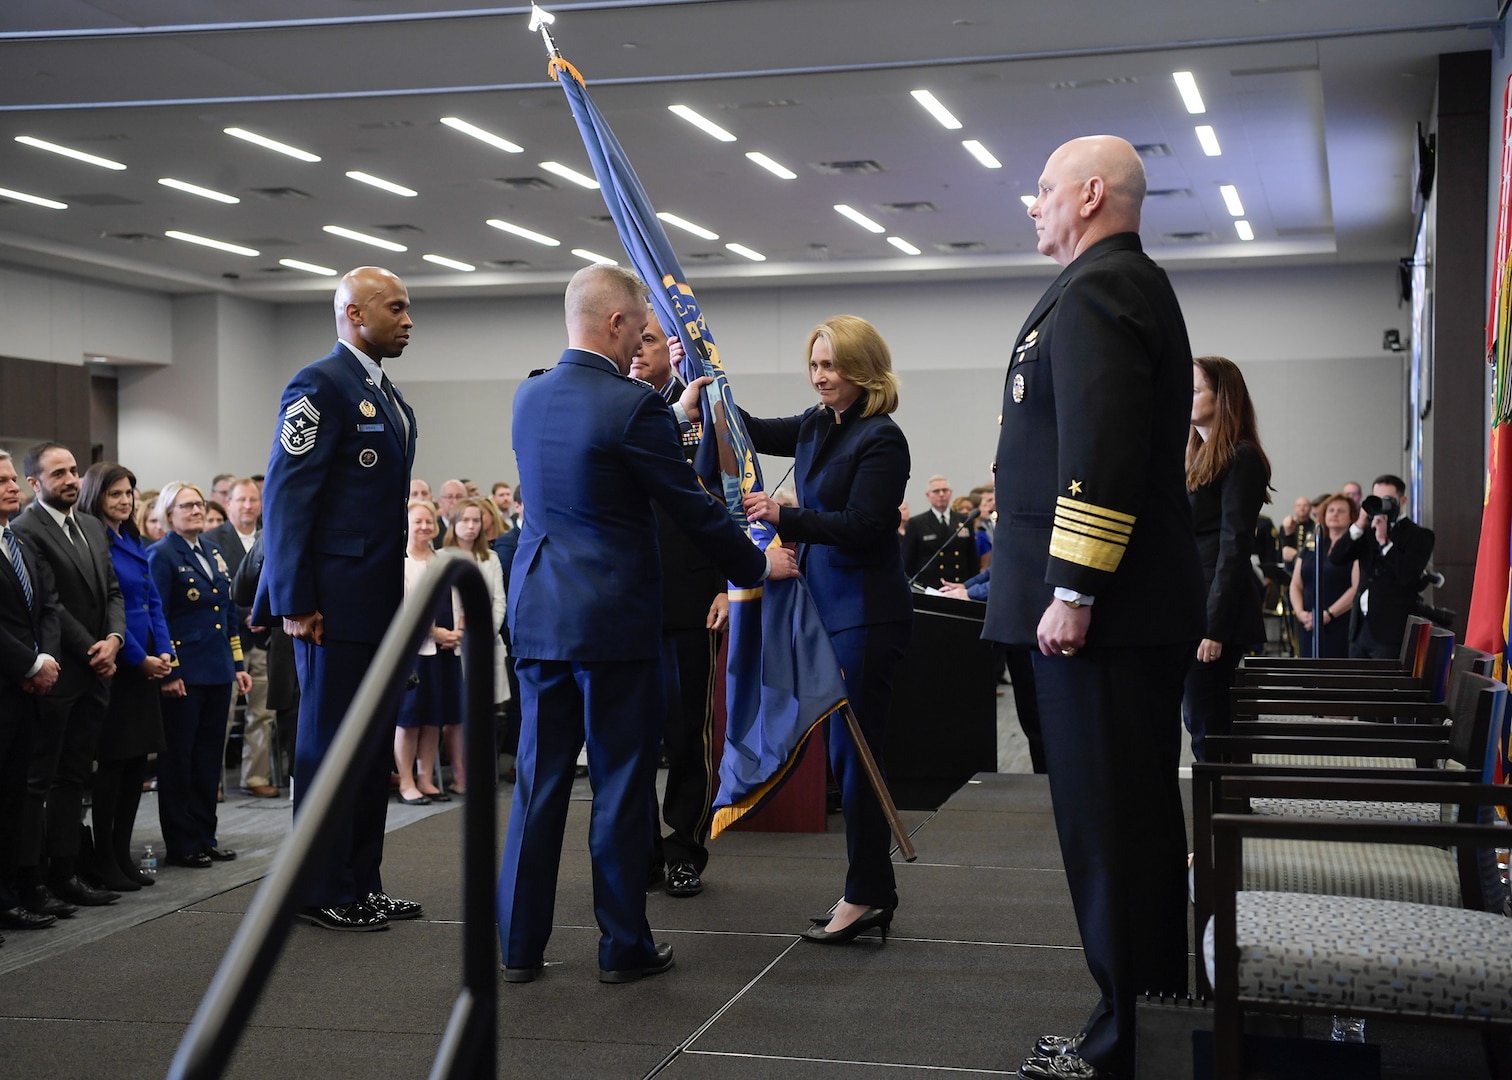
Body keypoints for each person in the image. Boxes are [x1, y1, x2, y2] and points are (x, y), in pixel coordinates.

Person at [495, 264, 795, 985]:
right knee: (623, 787)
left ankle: (518, 946)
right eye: (637, 325)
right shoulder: (633, 408)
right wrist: (754, 567)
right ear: (615, 324)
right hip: (613, 623)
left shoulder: (528, 396)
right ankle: (621, 945)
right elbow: (692, 510)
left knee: (537, 786)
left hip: (539, 616)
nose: (641, 340)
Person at [983, 135, 1204, 1080]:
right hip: (1124, 611)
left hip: (1099, 618)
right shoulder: (1115, 284)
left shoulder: (1100, 291)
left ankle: (1121, 1042)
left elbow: (1100, 451)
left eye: (1041, 192)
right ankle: (1146, 1011)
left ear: (1088, 193)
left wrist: (1073, 588)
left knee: (1109, 826)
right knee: (1134, 820)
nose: (1031, 207)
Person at [253, 265, 422, 933]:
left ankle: (361, 881)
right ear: (355, 314)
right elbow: (288, 499)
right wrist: (293, 599)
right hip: (327, 607)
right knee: (328, 746)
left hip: (375, 602)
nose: (408, 320)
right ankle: (319, 886)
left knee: (371, 747)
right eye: (396, 308)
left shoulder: (387, 394)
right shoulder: (318, 385)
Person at [740, 314, 913, 943]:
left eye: (832, 366)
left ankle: (865, 893)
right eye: (815, 365)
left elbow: (867, 527)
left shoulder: (881, 439)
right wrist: (700, 372)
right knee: (849, 757)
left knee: (855, 756)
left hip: (866, 615)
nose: (821, 378)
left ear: (863, 369)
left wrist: (791, 517)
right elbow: (750, 431)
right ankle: (871, 890)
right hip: (829, 614)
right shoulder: (817, 424)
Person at [631, 310, 730, 899]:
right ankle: (640, 847)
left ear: (673, 347)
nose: (638, 350)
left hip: (692, 595)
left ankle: (686, 847)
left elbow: (730, 503)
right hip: (629, 600)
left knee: (688, 733)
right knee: (632, 736)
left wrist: (727, 584)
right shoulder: (612, 405)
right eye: (632, 338)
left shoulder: (705, 413)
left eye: (649, 339)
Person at [12, 442, 126, 914]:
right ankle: (39, 877)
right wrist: (91, 648)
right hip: (61, 668)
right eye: (58, 474)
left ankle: (68, 870)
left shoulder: (94, 526)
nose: (71, 480)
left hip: (100, 666)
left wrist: (115, 639)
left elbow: (113, 591)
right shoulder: (26, 529)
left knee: (77, 775)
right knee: (47, 778)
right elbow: (51, 604)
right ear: (35, 484)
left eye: (74, 471)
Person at [77, 463, 173, 892]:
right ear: (97, 495)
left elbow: (151, 602)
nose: (125, 500)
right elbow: (108, 611)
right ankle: (103, 858)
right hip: (120, 663)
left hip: (146, 660)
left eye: (129, 493)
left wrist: (165, 651)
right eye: (115, 493)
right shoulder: (94, 539)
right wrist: (141, 659)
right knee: (114, 764)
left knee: (137, 764)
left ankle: (121, 852)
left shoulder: (131, 538)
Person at [148, 482, 251, 870]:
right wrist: (169, 671)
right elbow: (158, 617)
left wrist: (238, 665)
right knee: (179, 759)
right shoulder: (161, 555)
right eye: (186, 505)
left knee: (209, 758)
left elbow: (226, 614)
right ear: (168, 514)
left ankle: (205, 835)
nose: (195, 511)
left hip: (217, 668)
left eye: (199, 505)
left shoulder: (212, 551)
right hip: (184, 672)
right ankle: (181, 841)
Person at [1182, 356, 1272, 762]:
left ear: (1223, 397)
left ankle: (1222, 815)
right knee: (1203, 718)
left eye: (1195, 389)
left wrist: (1213, 628)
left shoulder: (1242, 456)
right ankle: (1224, 810)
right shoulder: (1195, 456)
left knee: (1208, 720)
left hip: (1218, 612)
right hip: (1193, 603)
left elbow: (1234, 547)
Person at [0, 449, 63, 934]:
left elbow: (44, 605)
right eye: (1, 481)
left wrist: (43, 659)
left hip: (26, 687)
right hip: (8, 680)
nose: (12, 488)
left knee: (18, 796)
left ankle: (15, 892)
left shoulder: (13, 540)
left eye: (11, 479)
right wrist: (29, 661)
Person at [206, 478, 279, 798]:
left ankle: (255, 776)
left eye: (254, 500)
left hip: (264, 639)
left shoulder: (272, 535)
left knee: (262, 713)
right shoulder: (212, 539)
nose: (248, 506)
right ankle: (215, 780)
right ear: (228, 504)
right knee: (221, 716)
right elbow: (216, 592)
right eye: (242, 500)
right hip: (227, 640)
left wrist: (267, 615)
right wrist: (244, 616)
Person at [393, 500, 459, 805]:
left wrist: (456, 632)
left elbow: (458, 602)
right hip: (414, 653)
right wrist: (434, 632)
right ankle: (405, 780)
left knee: (434, 718)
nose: (424, 527)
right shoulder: (401, 563)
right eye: (417, 522)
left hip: (445, 651)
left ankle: (426, 777)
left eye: (428, 522)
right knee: (409, 720)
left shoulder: (443, 560)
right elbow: (403, 611)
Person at [1330, 473, 1435, 659]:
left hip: (1391, 631)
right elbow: (1337, 558)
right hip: (1360, 628)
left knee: (1383, 686)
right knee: (1354, 686)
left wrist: (1386, 544)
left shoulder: (1419, 535)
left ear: (1402, 500)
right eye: (1377, 499)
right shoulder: (1367, 530)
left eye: (1388, 500)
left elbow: (1408, 576)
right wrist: (1359, 524)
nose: (1383, 504)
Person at [442, 496, 507, 796]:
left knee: (486, 713)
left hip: (486, 642)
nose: (470, 526)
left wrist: (484, 632)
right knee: (459, 713)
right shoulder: (442, 557)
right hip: (453, 643)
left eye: (475, 521)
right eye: (464, 520)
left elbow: (499, 601)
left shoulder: (489, 558)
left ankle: (484, 772)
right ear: (453, 524)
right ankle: (461, 773)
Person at [1289, 492, 1360, 658]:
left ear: (1351, 517)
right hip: (1308, 622)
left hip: (1339, 621)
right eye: (1331, 510)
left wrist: (1328, 614)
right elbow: (1296, 584)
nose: (1335, 514)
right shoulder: (1313, 543)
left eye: (1341, 511)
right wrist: (1300, 613)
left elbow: (1356, 587)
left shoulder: (1355, 547)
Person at [901, 475, 974, 586]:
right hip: (930, 586)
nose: (941, 494)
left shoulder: (964, 520)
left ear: (950, 493)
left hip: (959, 585)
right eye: (936, 491)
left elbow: (972, 557)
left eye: (944, 490)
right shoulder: (916, 523)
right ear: (928, 495)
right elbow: (908, 561)